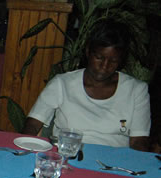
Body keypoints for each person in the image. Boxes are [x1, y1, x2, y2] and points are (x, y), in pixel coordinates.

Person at [22, 19, 151, 151]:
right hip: (68, 155)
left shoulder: (136, 90)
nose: (104, 66)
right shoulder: (62, 83)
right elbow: (33, 123)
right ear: (88, 51)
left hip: (115, 161)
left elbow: (139, 141)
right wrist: (26, 149)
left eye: (113, 61)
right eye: (99, 57)